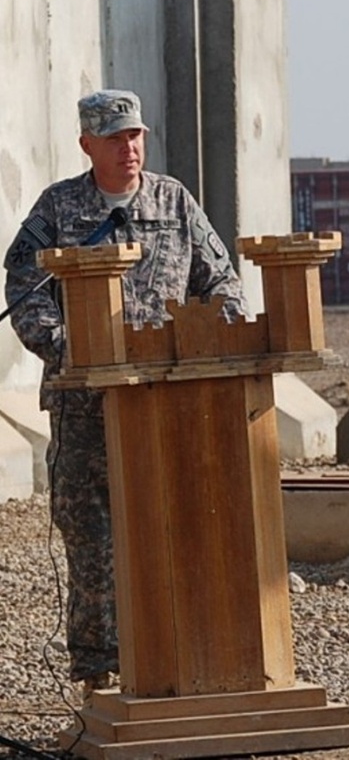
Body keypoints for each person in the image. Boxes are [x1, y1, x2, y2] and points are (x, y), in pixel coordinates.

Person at [3, 89, 247, 699]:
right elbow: (25, 290)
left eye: (134, 136)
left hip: (166, 401)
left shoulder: (174, 201)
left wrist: (223, 332)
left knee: (176, 524)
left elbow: (220, 278)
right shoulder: (59, 208)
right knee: (92, 537)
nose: (128, 148)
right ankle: (99, 673)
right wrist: (68, 350)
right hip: (85, 404)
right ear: (87, 145)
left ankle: (181, 661)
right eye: (114, 139)